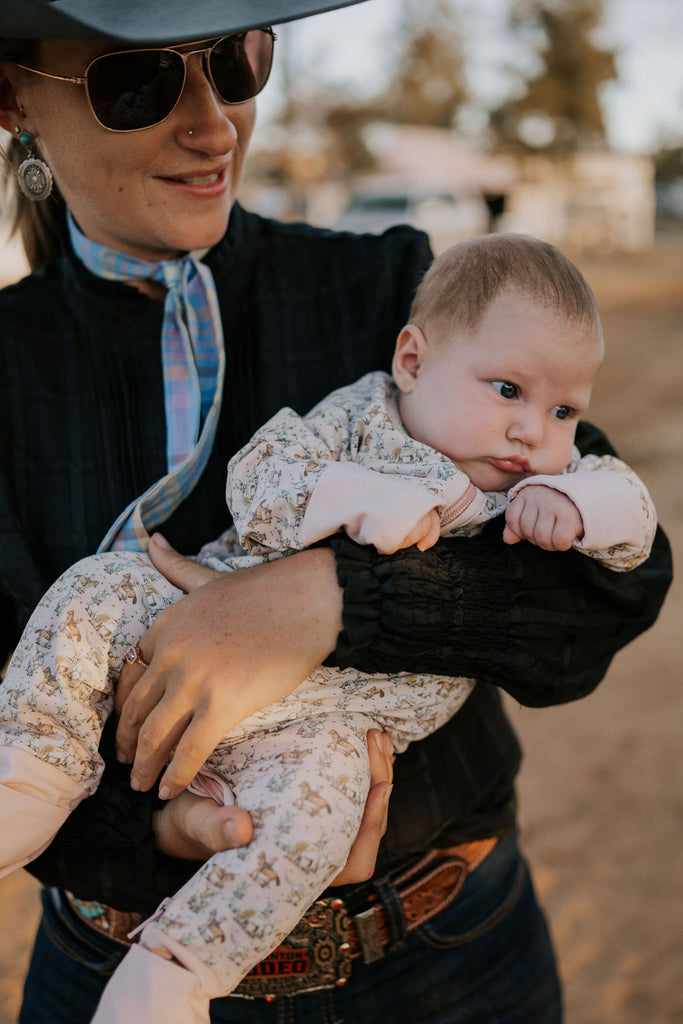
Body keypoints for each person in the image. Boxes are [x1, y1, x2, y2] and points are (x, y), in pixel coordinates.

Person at [0, 3, 672, 1022]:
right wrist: (161, 835)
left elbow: (609, 586)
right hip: (105, 969)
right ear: (12, 97)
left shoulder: (390, 286)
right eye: (134, 81)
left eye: (234, 60)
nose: (213, 123)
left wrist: (323, 598)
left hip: (445, 961)